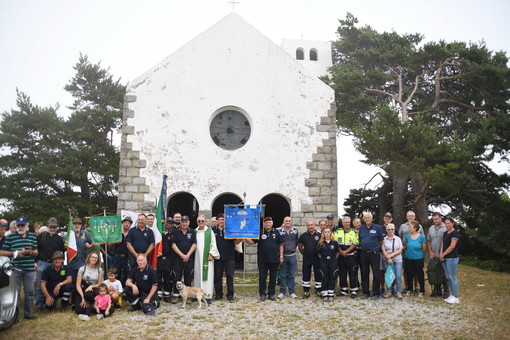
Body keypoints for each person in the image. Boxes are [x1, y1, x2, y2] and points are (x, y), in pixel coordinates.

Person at [0, 216, 39, 319]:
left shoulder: (32, 236)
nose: (21, 227)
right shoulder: (10, 237)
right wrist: (15, 253)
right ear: (16, 226)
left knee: (29, 292)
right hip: (15, 268)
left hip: (29, 268)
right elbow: (1, 252)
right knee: (15, 293)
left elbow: (36, 252)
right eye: (19, 225)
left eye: (23, 225)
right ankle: (15, 316)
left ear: (27, 226)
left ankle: (28, 313)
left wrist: (29, 252)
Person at [245, 217, 283, 301]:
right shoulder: (260, 232)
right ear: (264, 224)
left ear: (272, 223)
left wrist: (281, 256)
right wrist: (245, 238)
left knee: (273, 278)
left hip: (274, 259)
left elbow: (281, 245)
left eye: (269, 222)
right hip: (263, 260)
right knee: (262, 277)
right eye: (266, 223)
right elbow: (252, 242)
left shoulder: (277, 232)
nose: (268, 224)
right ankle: (262, 294)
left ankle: (271, 294)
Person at [35, 216, 66, 311]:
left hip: (55, 264)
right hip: (43, 262)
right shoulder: (41, 237)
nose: (52, 229)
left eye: (54, 227)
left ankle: (51, 301)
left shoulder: (59, 239)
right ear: (47, 227)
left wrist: (61, 262)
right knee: (40, 284)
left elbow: (62, 252)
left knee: (53, 283)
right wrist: (35, 262)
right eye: (51, 227)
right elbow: (36, 249)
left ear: (57, 228)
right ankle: (39, 304)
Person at [213, 213, 240, 301]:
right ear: (216, 221)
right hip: (217, 257)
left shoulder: (230, 230)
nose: (221, 221)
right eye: (219, 220)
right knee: (217, 276)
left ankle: (230, 294)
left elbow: (236, 242)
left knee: (230, 276)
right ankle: (218, 294)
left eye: (223, 219)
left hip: (229, 257)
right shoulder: (212, 231)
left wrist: (242, 236)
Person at [193, 215, 220, 304]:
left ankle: (207, 295)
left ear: (205, 222)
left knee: (207, 277)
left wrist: (211, 254)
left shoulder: (209, 231)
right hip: (197, 258)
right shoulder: (195, 232)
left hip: (207, 258)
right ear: (197, 222)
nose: (201, 222)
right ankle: (197, 294)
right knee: (197, 276)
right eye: (199, 221)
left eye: (202, 221)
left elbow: (213, 243)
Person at [171, 215, 196, 303]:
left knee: (188, 276)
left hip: (189, 258)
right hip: (178, 258)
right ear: (180, 222)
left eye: (186, 222)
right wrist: (182, 255)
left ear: (189, 222)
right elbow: (173, 245)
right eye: (183, 221)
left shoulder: (192, 232)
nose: (184, 223)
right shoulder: (175, 232)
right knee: (177, 276)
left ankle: (188, 296)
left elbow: (194, 244)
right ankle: (176, 296)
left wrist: (187, 255)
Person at [358, 212, 384, 299]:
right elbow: (360, 239)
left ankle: (376, 293)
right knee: (364, 273)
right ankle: (366, 292)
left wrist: (376, 248)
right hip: (364, 253)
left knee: (376, 273)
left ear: (372, 219)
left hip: (374, 253)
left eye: (369, 218)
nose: (367, 219)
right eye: (365, 218)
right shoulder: (361, 228)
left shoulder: (377, 227)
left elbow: (381, 241)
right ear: (363, 219)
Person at [399, 211, 425, 293]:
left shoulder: (420, 227)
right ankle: (408, 287)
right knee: (407, 271)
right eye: (409, 216)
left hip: (418, 255)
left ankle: (418, 287)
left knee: (418, 272)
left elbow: (423, 245)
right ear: (406, 217)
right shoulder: (403, 227)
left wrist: (419, 252)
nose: (410, 217)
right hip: (407, 254)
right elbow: (400, 239)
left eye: (412, 216)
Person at [333, 216, 359, 298]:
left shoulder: (354, 232)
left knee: (352, 273)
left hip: (351, 256)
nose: (347, 224)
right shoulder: (337, 232)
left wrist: (346, 252)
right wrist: (341, 252)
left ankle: (353, 290)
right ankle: (343, 290)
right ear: (342, 223)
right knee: (342, 273)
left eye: (348, 222)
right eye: (346, 222)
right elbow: (335, 242)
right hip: (341, 256)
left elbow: (355, 243)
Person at [75, 251, 104, 321]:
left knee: (89, 294)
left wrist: (91, 286)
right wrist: (82, 298)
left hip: (94, 289)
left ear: (98, 260)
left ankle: (91, 305)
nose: (94, 259)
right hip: (83, 288)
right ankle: (90, 306)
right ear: (89, 258)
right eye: (92, 257)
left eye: (96, 258)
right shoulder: (82, 269)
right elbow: (78, 285)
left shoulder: (99, 269)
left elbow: (100, 284)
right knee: (79, 310)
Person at [298, 220, 322, 298]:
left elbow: (322, 246)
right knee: (306, 274)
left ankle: (319, 290)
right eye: (309, 225)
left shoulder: (319, 235)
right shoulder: (303, 236)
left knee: (318, 274)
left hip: (317, 259)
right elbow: (300, 247)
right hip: (307, 258)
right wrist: (304, 253)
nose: (310, 226)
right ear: (307, 226)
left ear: (314, 225)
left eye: (311, 225)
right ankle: (306, 291)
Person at [440, 216, 460, 304]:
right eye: (446, 223)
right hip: (445, 258)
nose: (447, 225)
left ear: (452, 223)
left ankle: (455, 296)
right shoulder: (445, 233)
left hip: (452, 258)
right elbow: (443, 243)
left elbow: (452, 246)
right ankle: (451, 295)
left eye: (449, 223)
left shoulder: (455, 233)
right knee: (448, 277)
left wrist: (444, 254)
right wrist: (441, 254)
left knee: (453, 277)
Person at [427, 212, 448, 297]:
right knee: (435, 272)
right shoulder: (431, 228)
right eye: (433, 219)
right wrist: (430, 252)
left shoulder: (445, 227)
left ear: (441, 218)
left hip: (443, 255)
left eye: (436, 219)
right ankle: (437, 291)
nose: (435, 220)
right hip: (434, 255)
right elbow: (428, 241)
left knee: (444, 273)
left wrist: (442, 253)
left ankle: (446, 291)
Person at [277, 216, 298, 299]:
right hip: (283, 256)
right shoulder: (279, 231)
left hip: (292, 255)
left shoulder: (295, 231)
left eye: (289, 221)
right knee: (282, 274)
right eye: (286, 221)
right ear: (283, 222)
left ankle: (292, 292)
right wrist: (280, 255)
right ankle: (282, 291)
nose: (288, 222)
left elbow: (296, 242)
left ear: (291, 222)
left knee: (292, 274)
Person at [68, 217, 94, 284]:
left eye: (79, 224)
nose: (77, 226)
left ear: (81, 225)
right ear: (72, 225)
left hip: (83, 261)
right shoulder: (70, 235)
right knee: (73, 282)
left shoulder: (85, 234)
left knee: (84, 282)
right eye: (75, 224)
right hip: (72, 262)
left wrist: (90, 245)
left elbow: (93, 242)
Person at [381, 223, 404, 299]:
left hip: (397, 260)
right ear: (386, 230)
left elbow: (400, 249)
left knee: (398, 275)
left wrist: (391, 255)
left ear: (394, 230)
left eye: (392, 229)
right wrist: (388, 257)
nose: (390, 231)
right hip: (387, 260)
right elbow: (383, 249)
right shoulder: (384, 239)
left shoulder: (398, 239)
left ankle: (398, 292)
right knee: (389, 276)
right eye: (388, 229)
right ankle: (389, 291)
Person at [404, 221, 426, 296]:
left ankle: (422, 290)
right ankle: (409, 289)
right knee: (409, 273)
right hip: (408, 258)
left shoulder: (421, 237)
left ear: (415, 228)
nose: (409, 228)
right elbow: (406, 246)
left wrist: (418, 253)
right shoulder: (407, 237)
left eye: (410, 227)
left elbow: (424, 248)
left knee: (420, 274)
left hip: (418, 258)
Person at [109, 216, 132, 286]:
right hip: (117, 257)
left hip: (127, 257)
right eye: (125, 222)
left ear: (130, 225)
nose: (126, 224)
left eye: (128, 223)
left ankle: (125, 289)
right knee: (116, 273)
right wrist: (116, 241)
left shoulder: (132, 234)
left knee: (127, 273)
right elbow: (109, 244)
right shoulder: (117, 233)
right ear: (122, 224)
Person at [317, 228, 339, 301]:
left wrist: (333, 259)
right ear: (323, 233)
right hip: (324, 260)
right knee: (324, 276)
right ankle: (325, 293)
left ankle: (331, 293)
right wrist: (325, 258)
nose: (327, 233)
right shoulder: (320, 243)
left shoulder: (335, 243)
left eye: (328, 232)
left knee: (332, 276)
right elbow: (319, 254)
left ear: (330, 233)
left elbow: (337, 253)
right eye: (325, 232)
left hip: (333, 260)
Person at [158, 217, 174, 302]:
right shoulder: (159, 233)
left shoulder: (173, 234)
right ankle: (159, 293)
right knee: (159, 275)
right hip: (159, 257)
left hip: (169, 258)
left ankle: (167, 294)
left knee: (168, 276)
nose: (168, 224)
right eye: (167, 223)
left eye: (170, 223)